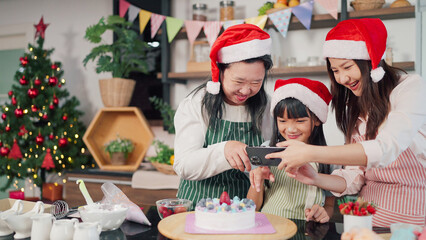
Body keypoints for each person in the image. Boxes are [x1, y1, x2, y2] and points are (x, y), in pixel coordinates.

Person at [265, 18, 426, 227]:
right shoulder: (357, 105)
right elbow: (354, 175)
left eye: (347, 67)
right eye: (335, 70)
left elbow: (386, 148)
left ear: (370, 61)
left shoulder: (410, 88)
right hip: (366, 222)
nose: (341, 78)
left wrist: (310, 152)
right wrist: (315, 177)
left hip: (413, 221)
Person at [173, 24, 273, 208]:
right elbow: (184, 165)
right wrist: (224, 150)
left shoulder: (266, 106)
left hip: (245, 208)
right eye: (238, 81)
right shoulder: (197, 103)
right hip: (197, 207)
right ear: (220, 72)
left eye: (256, 82)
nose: (246, 90)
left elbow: (268, 155)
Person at [247, 78, 335, 223]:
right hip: (269, 227)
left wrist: (323, 213)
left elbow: (330, 206)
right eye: (282, 121)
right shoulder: (266, 150)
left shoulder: (328, 157)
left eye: (300, 121)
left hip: (306, 230)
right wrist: (259, 180)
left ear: (317, 119)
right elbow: (252, 208)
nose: (290, 129)